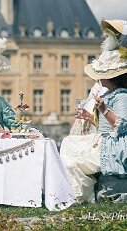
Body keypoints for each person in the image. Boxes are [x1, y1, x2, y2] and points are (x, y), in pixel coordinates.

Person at [60, 20, 127, 203]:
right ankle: (77, 193)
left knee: (69, 148)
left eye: (101, 76)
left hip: (115, 147)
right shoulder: (113, 93)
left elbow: (121, 125)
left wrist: (104, 109)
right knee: (68, 144)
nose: (98, 80)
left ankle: (77, 195)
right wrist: (90, 117)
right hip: (105, 140)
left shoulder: (121, 95)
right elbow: (108, 125)